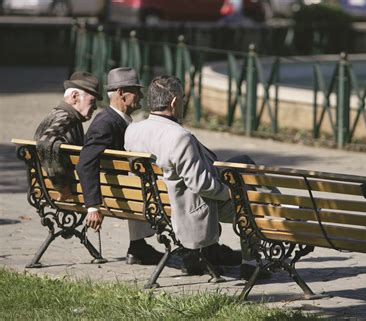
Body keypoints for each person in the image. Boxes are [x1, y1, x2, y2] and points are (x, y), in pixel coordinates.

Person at [124, 75, 270, 280]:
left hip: (157, 201)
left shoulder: (134, 129)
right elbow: (203, 185)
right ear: (174, 101)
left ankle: (285, 214)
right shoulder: (179, 136)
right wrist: (234, 193)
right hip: (190, 206)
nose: (185, 103)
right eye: (183, 98)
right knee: (250, 201)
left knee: (242, 160)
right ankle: (251, 264)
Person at [77, 67, 163, 265]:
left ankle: (138, 246)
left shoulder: (113, 120)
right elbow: (85, 163)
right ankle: (197, 250)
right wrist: (92, 207)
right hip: (124, 195)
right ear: (121, 93)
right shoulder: (106, 124)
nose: (141, 96)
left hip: (124, 192)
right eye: (136, 90)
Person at [34, 71, 102, 201]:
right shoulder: (67, 118)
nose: (95, 107)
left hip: (42, 187)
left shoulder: (53, 115)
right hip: (70, 193)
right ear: (75, 96)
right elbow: (45, 142)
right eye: (92, 101)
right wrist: (62, 187)